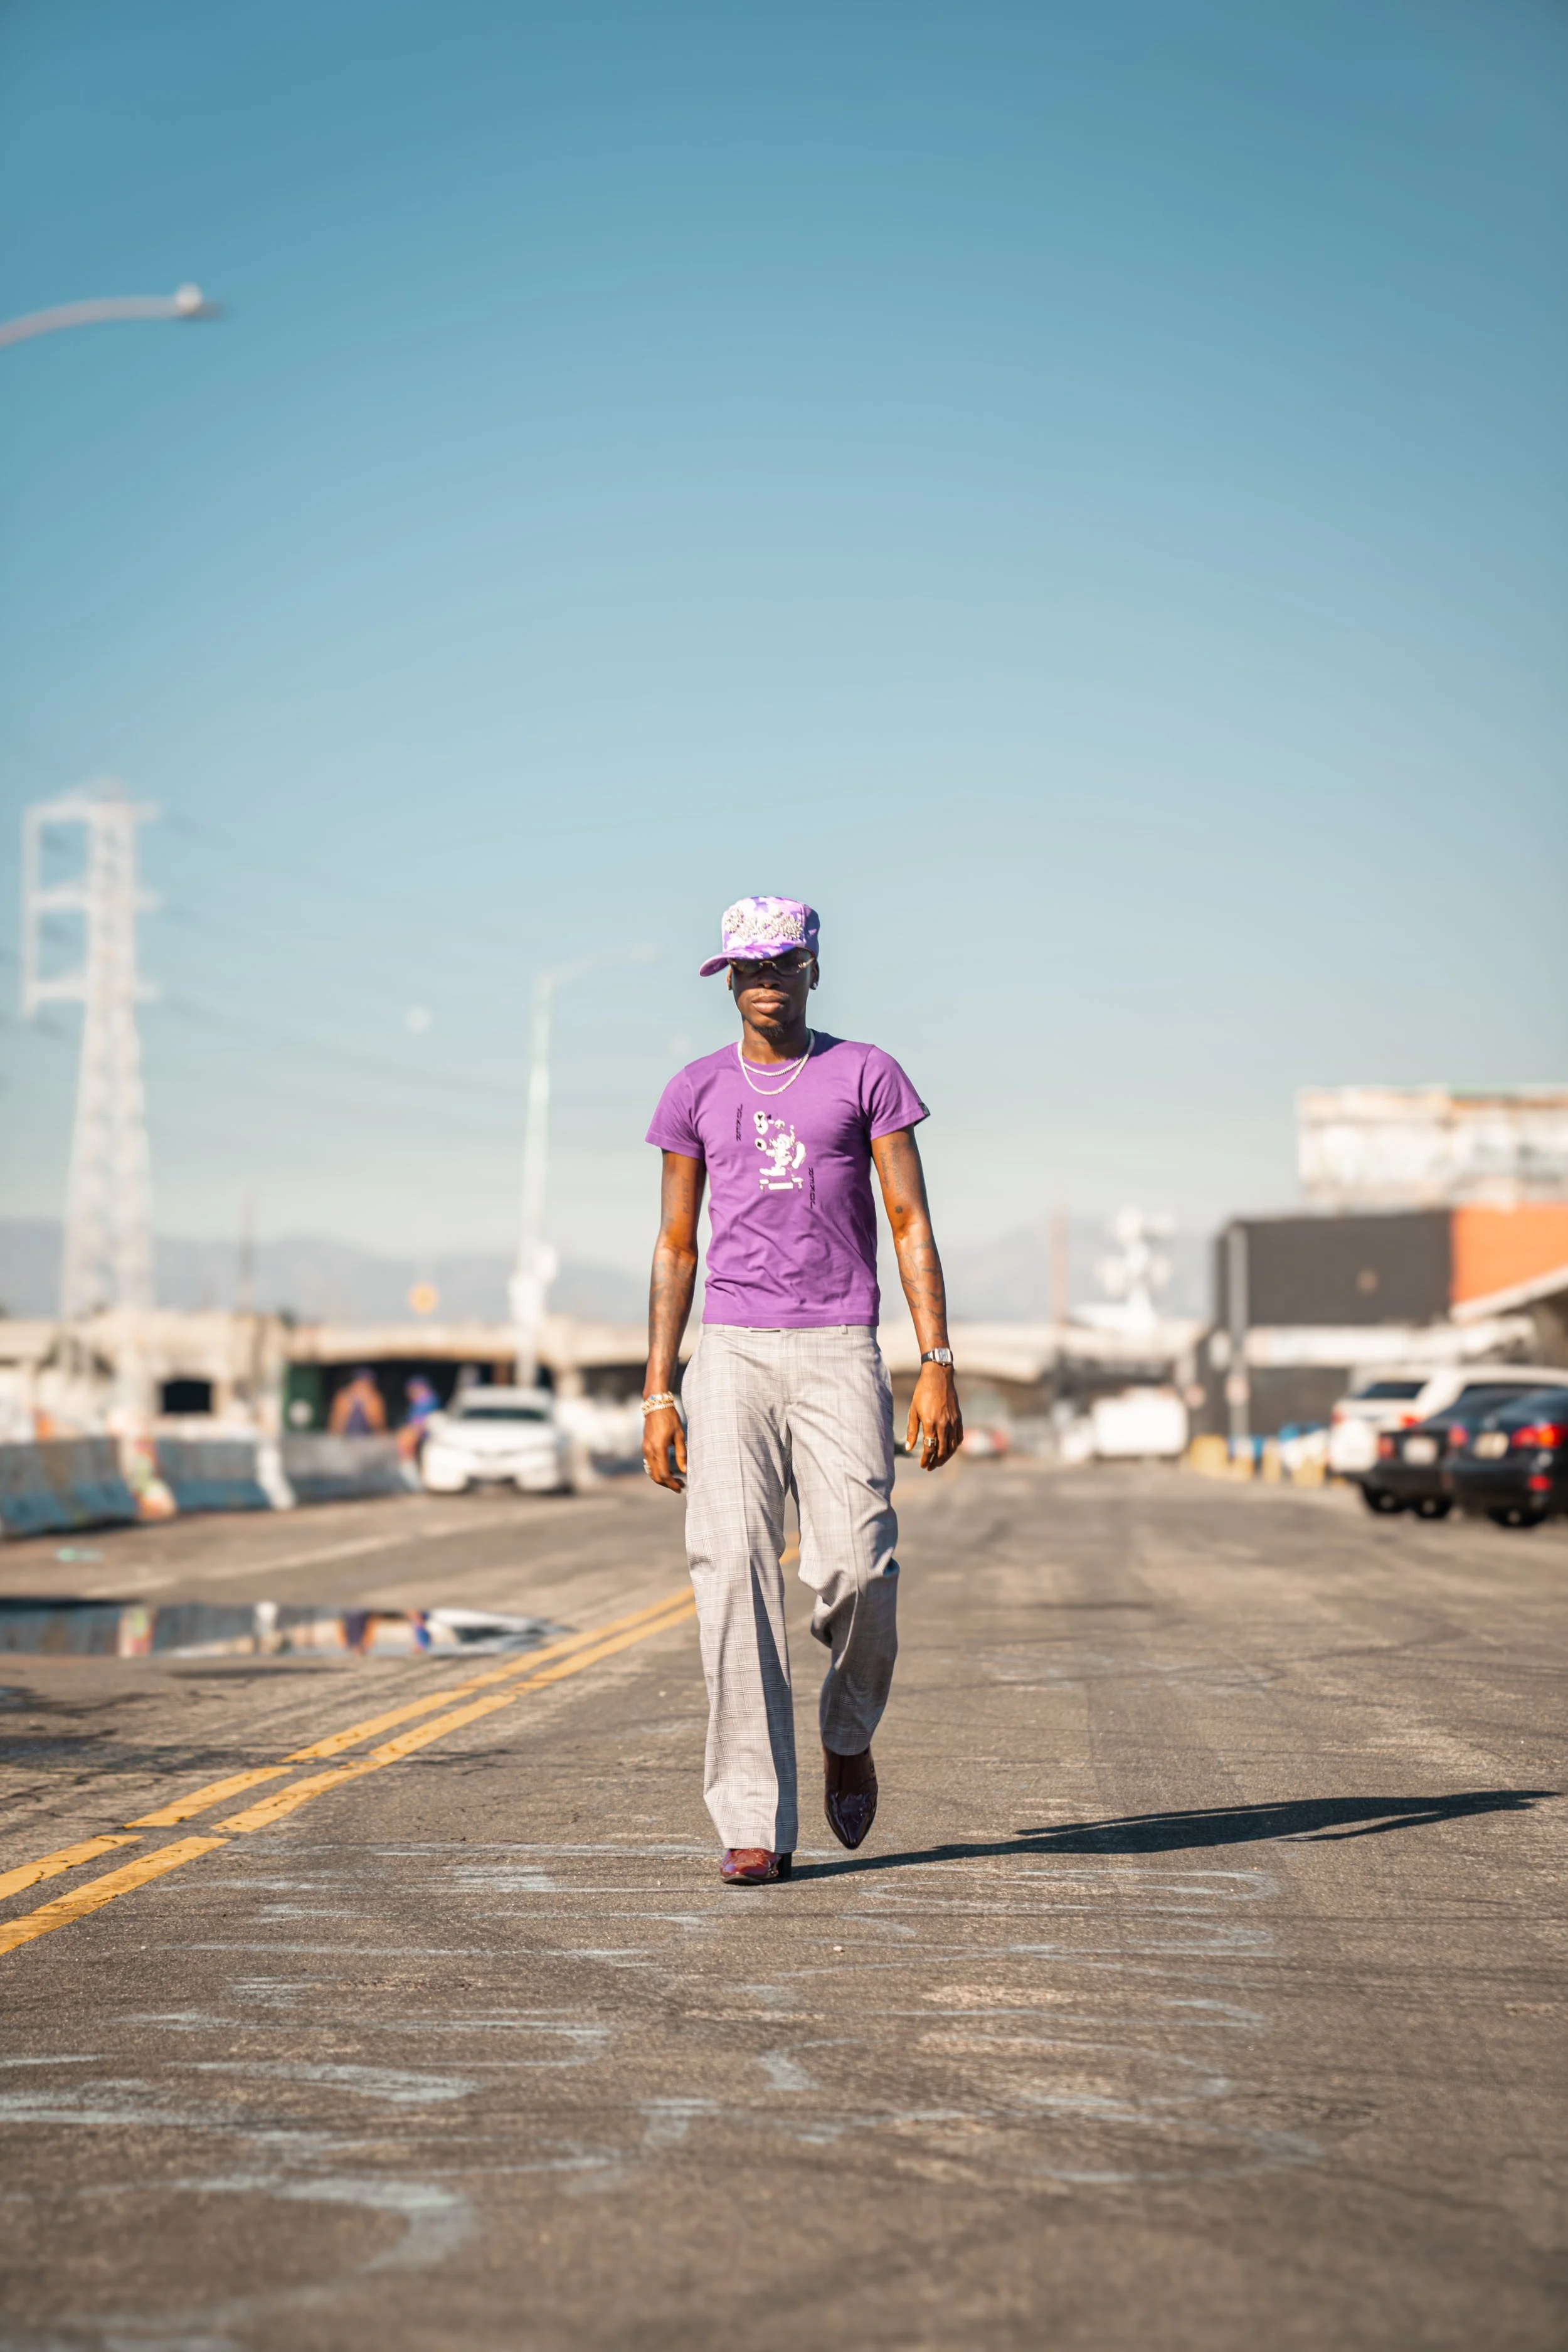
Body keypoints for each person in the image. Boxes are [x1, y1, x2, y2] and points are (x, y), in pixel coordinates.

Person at [642, 895, 963, 1887]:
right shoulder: (694, 1090)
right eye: (747, 966)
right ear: (726, 979)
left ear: (814, 968)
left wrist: (937, 1361)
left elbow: (908, 1219)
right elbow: (675, 1243)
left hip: (838, 1346)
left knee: (861, 1566)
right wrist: (660, 1390)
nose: (765, 980)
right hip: (730, 1351)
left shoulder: (865, 1073)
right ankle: (753, 1817)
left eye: (782, 962)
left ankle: (848, 1726)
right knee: (730, 1573)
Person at [329, 1367, 387, 1436]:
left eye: (367, 1385)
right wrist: (346, 1409)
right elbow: (333, 1429)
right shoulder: (342, 1397)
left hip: (370, 1442)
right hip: (345, 1441)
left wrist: (370, 1410)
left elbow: (381, 1431)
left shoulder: (376, 1398)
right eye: (360, 1384)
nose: (363, 1389)